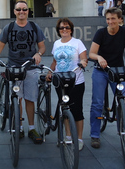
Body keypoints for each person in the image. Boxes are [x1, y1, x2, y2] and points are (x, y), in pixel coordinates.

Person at [89, 7, 125, 153]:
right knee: (97, 102)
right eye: (108, 19)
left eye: (113, 19)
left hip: (117, 71)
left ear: (120, 19)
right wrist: (99, 57)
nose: (110, 22)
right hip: (101, 70)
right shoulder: (101, 33)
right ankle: (95, 135)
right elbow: (92, 53)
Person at [0, 0, 46, 144]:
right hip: (14, 68)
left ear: (28, 11)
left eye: (24, 9)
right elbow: (0, 46)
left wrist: (39, 54)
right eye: (19, 9)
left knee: (30, 99)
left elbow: (42, 47)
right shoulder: (9, 27)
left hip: (30, 68)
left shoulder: (34, 26)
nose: (22, 11)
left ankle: (31, 128)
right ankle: (19, 127)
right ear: (14, 11)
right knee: (17, 99)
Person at [49, 18, 88, 151]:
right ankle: (68, 136)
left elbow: (84, 58)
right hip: (60, 81)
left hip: (76, 81)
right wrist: (50, 72)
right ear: (58, 31)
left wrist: (83, 63)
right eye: (61, 28)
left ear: (71, 29)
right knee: (64, 108)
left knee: (77, 110)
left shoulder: (78, 43)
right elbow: (55, 62)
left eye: (66, 27)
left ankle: (80, 139)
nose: (64, 30)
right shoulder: (56, 43)